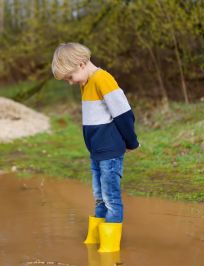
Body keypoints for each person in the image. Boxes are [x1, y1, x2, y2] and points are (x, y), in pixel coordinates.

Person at [51, 42, 139, 253]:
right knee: (99, 197)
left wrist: (131, 142)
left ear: (81, 64)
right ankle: (96, 239)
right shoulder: (85, 83)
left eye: (70, 77)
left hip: (110, 152)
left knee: (111, 199)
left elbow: (124, 114)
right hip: (97, 153)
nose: (70, 83)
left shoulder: (103, 79)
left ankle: (109, 248)